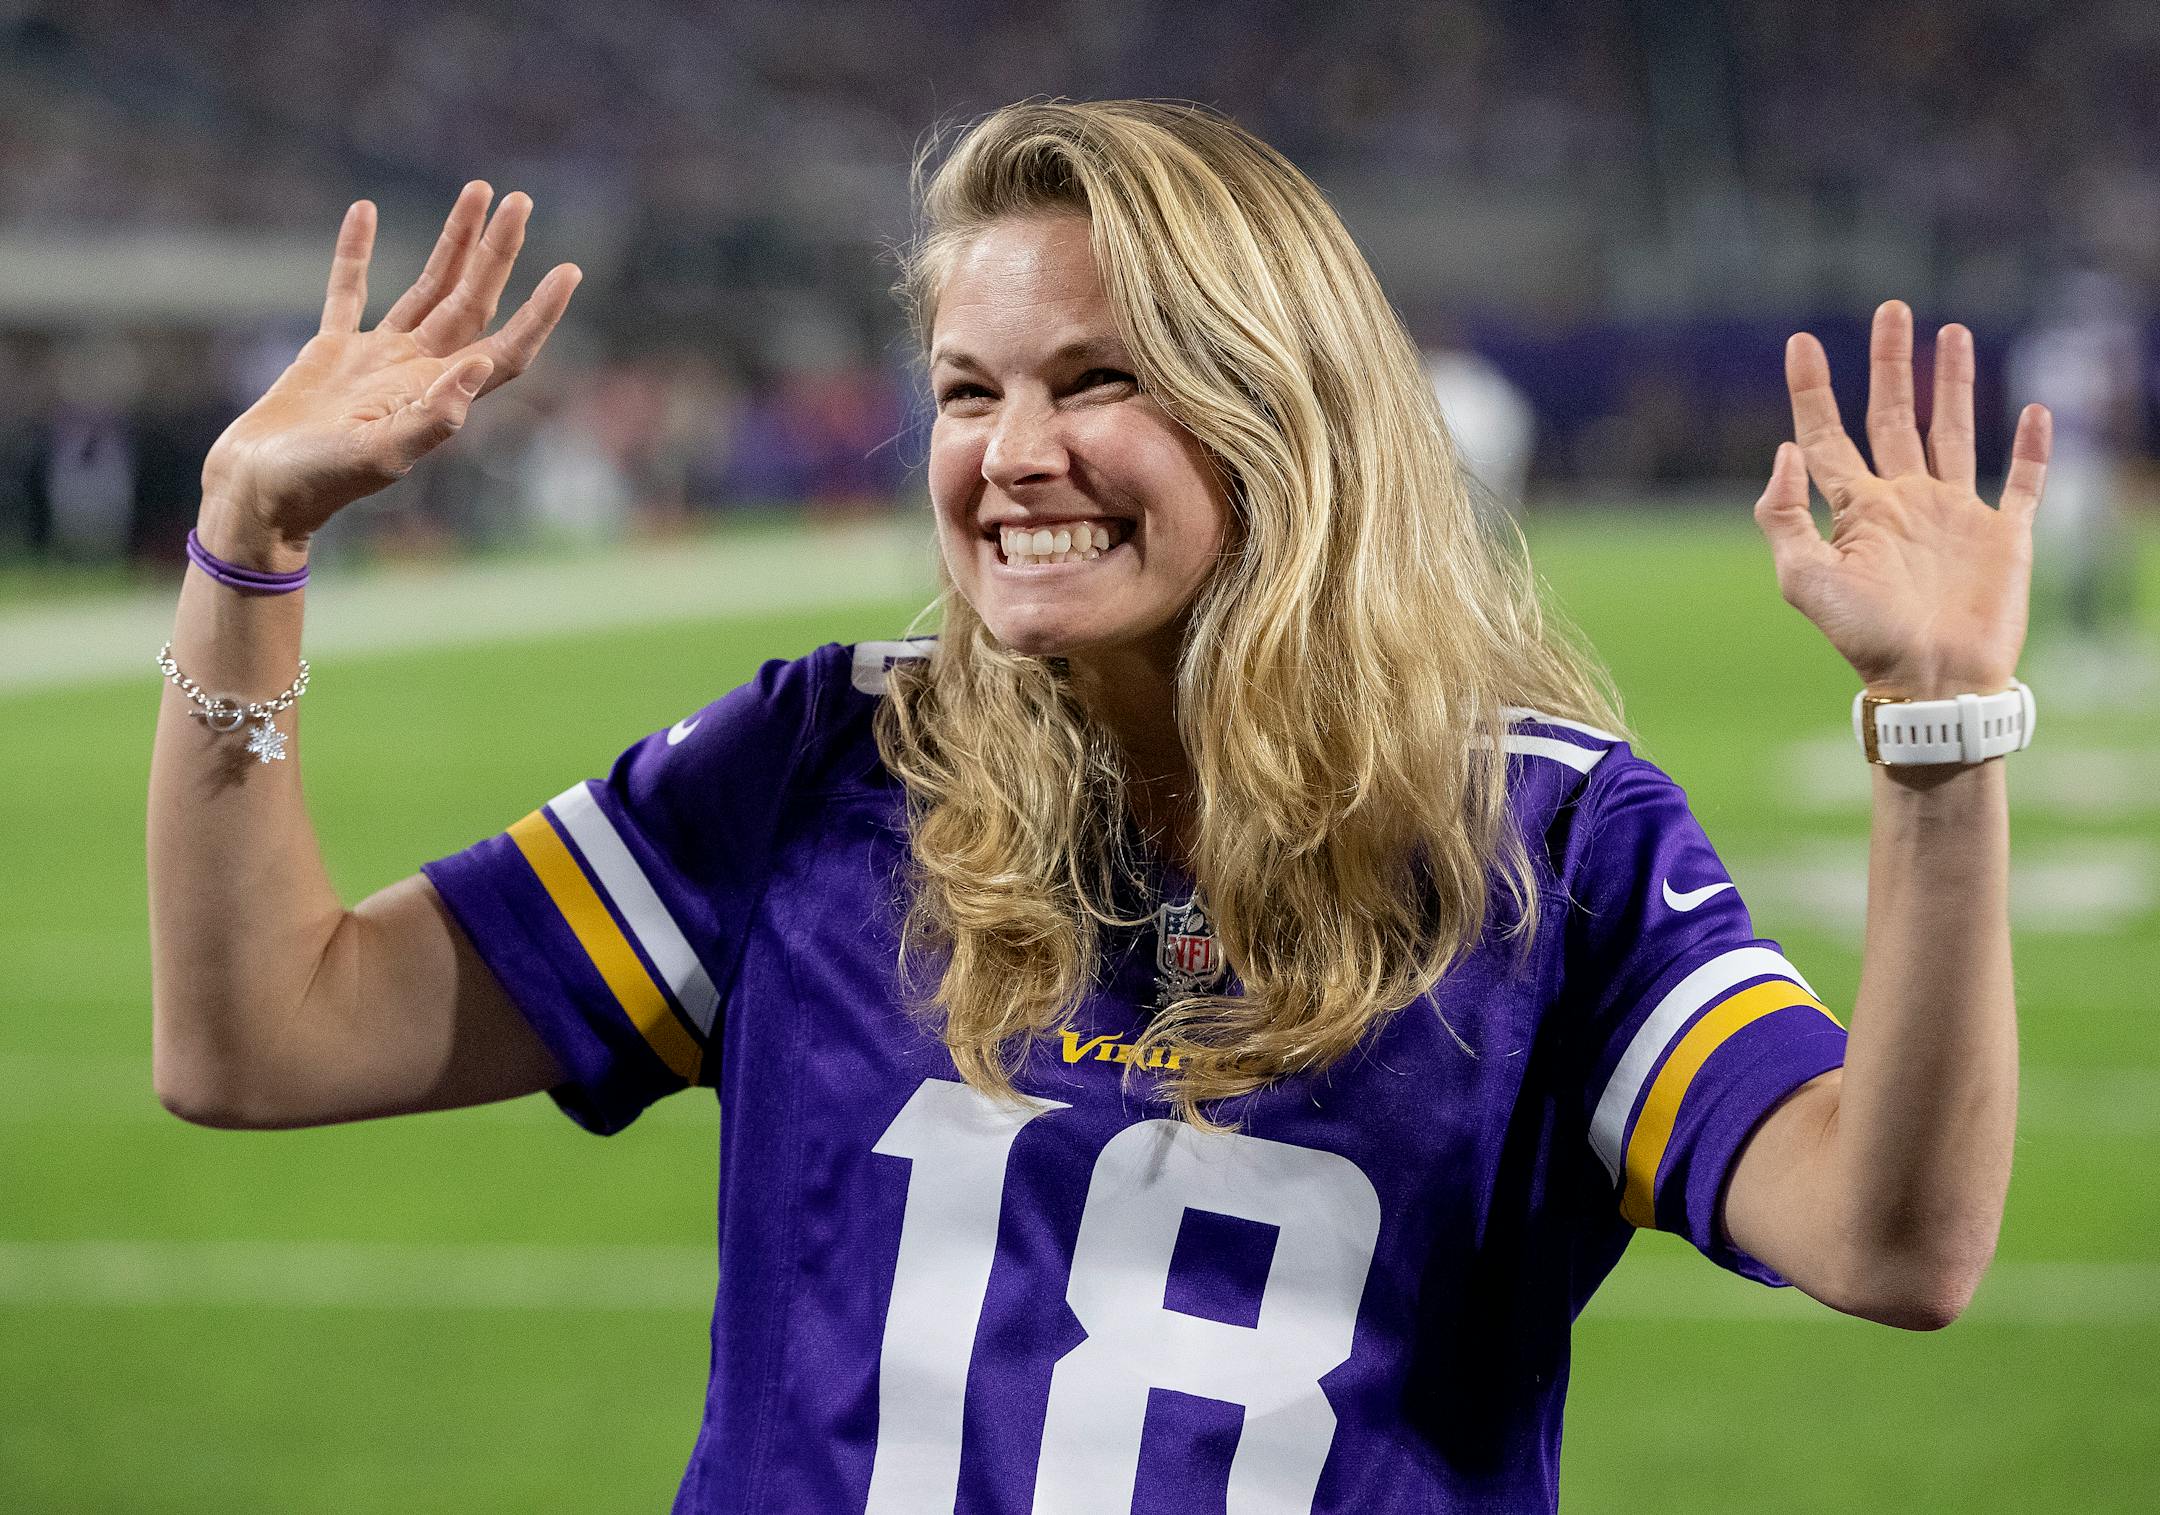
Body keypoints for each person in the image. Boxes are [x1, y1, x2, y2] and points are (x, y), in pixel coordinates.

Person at [148, 101, 2048, 1513]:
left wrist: (1942, 742)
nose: (1013, 454)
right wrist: (248, 546)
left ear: (1273, 411)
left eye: (1097, 380)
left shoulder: (1544, 846)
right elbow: (259, 1035)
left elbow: (1894, 1245)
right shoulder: (821, 769)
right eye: (967, 390)